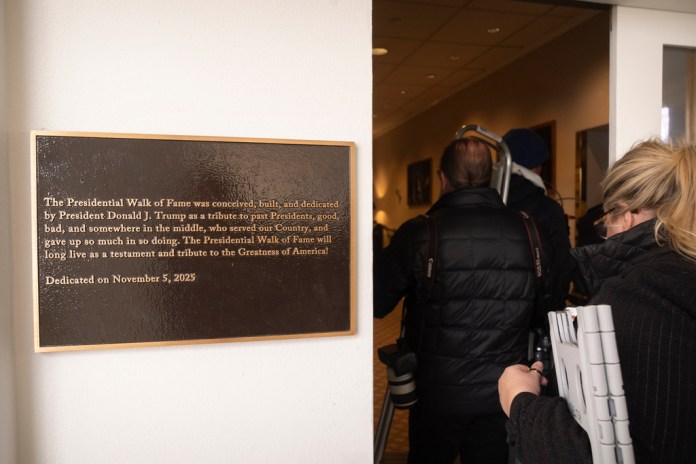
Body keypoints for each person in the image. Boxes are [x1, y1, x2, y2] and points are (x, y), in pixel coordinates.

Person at [498, 138, 696, 464]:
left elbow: (592, 454)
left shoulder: (639, 298)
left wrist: (520, 400)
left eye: (606, 221)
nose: (605, 234)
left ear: (627, 213)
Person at [374, 137, 551, 464]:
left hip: (436, 393)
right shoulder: (528, 229)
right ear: (491, 176)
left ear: (443, 178)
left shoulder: (420, 231)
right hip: (503, 391)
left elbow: (378, 301)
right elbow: (543, 309)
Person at [503, 128, 573, 311]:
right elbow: (562, 267)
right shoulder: (549, 210)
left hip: (496, 315)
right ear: (537, 166)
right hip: (539, 316)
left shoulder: (490, 204)